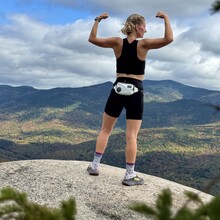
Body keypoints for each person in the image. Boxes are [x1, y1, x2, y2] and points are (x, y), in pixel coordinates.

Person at [87, 11, 173, 186]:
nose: (146, 31)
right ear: (136, 26)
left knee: (105, 130)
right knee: (131, 136)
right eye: (144, 27)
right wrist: (166, 18)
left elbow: (92, 39)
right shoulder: (144, 45)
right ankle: (129, 175)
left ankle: (95, 165)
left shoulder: (117, 42)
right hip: (135, 90)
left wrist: (97, 21)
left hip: (117, 88)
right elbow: (168, 39)